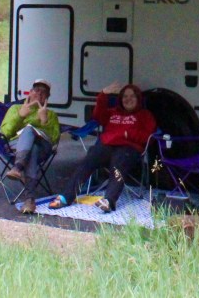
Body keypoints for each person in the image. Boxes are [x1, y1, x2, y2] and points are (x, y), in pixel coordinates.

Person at [49, 81, 157, 213]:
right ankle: (66, 197)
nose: (128, 99)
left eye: (132, 96)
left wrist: (128, 134)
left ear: (138, 98)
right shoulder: (113, 112)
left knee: (119, 163)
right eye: (125, 96)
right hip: (106, 146)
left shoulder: (145, 115)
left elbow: (148, 137)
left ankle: (109, 200)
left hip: (128, 148)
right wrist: (103, 95)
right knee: (88, 162)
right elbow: (97, 116)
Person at [0, 78, 60, 214]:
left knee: (30, 131)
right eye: (36, 90)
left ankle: (18, 167)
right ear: (30, 92)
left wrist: (45, 121)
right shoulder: (16, 109)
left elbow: (55, 140)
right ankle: (29, 200)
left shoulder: (51, 114)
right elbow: (5, 133)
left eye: (44, 93)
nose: (39, 94)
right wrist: (20, 116)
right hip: (17, 147)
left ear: (47, 98)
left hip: (43, 148)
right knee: (32, 148)